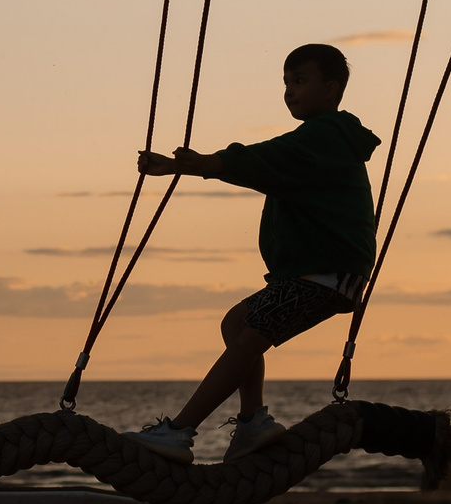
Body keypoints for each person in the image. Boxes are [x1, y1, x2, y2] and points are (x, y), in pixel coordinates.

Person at [129, 43, 379, 466]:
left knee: (248, 339)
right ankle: (252, 423)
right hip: (307, 274)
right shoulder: (319, 141)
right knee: (237, 324)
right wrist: (187, 167)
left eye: (300, 81)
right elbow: (268, 165)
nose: (289, 91)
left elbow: (263, 159)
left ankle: (179, 431)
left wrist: (191, 165)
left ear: (332, 89)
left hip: (327, 274)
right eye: (285, 82)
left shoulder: (324, 137)